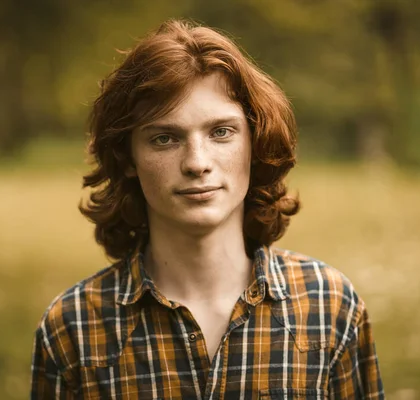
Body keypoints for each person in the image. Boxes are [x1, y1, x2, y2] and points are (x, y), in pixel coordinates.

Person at [30, 19, 384, 399]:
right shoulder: (73, 328)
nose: (197, 163)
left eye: (221, 132)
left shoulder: (330, 307)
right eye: (165, 138)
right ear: (128, 157)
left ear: (255, 142)